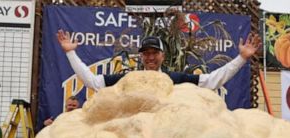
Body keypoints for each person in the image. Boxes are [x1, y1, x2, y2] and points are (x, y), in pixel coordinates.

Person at [56, 30, 261, 92]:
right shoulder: (129, 79)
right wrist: (70, 53)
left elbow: (212, 81)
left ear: (163, 56)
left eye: (155, 53)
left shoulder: (175, 78)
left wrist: (241, 58)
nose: (150, 57)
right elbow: (92, 82)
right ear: (141, 56)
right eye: (146, 53)